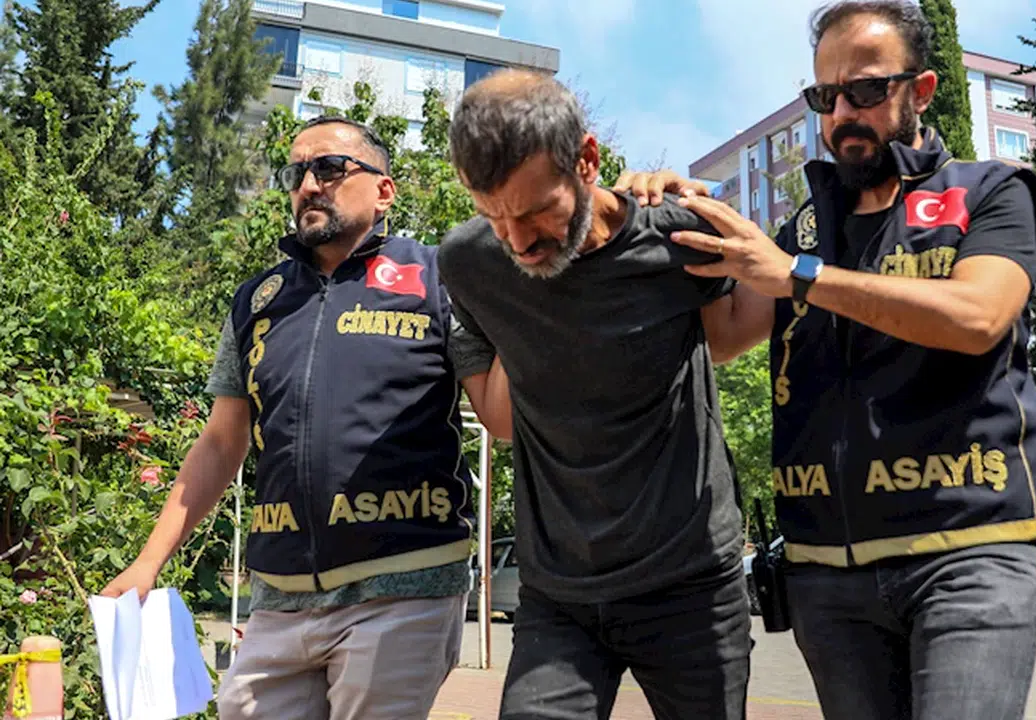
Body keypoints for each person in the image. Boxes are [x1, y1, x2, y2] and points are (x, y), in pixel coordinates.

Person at [616, 1, 1036, 718]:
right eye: (827, 97)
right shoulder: (806, 228)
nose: (843, 113)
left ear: (921, 90)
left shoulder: (989, 192)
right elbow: (723, 336)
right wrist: (669, 225)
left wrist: (797, 275)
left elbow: (978, 317)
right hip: (828, 574)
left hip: (969, 549)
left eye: (867, 90)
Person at [101, 116, 509, 720]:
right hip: (279, 595)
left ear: (384, 190)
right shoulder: (257, 300)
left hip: (405, 585)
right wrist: (147, 563)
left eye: (330, 168)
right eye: (297, 173)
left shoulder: (438, 278)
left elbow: (500, 418)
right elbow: (220, 442)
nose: (309, 184)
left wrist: (533, 311)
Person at [436, 69, 757, 720]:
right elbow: (498, 403)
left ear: (587, 160)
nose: (519, 242)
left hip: (690, 583)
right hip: (559, 596)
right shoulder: (470, 262)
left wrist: (732, 234)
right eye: (494, 217)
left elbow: (735, 334)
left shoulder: (674, 240)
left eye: (536, 211)